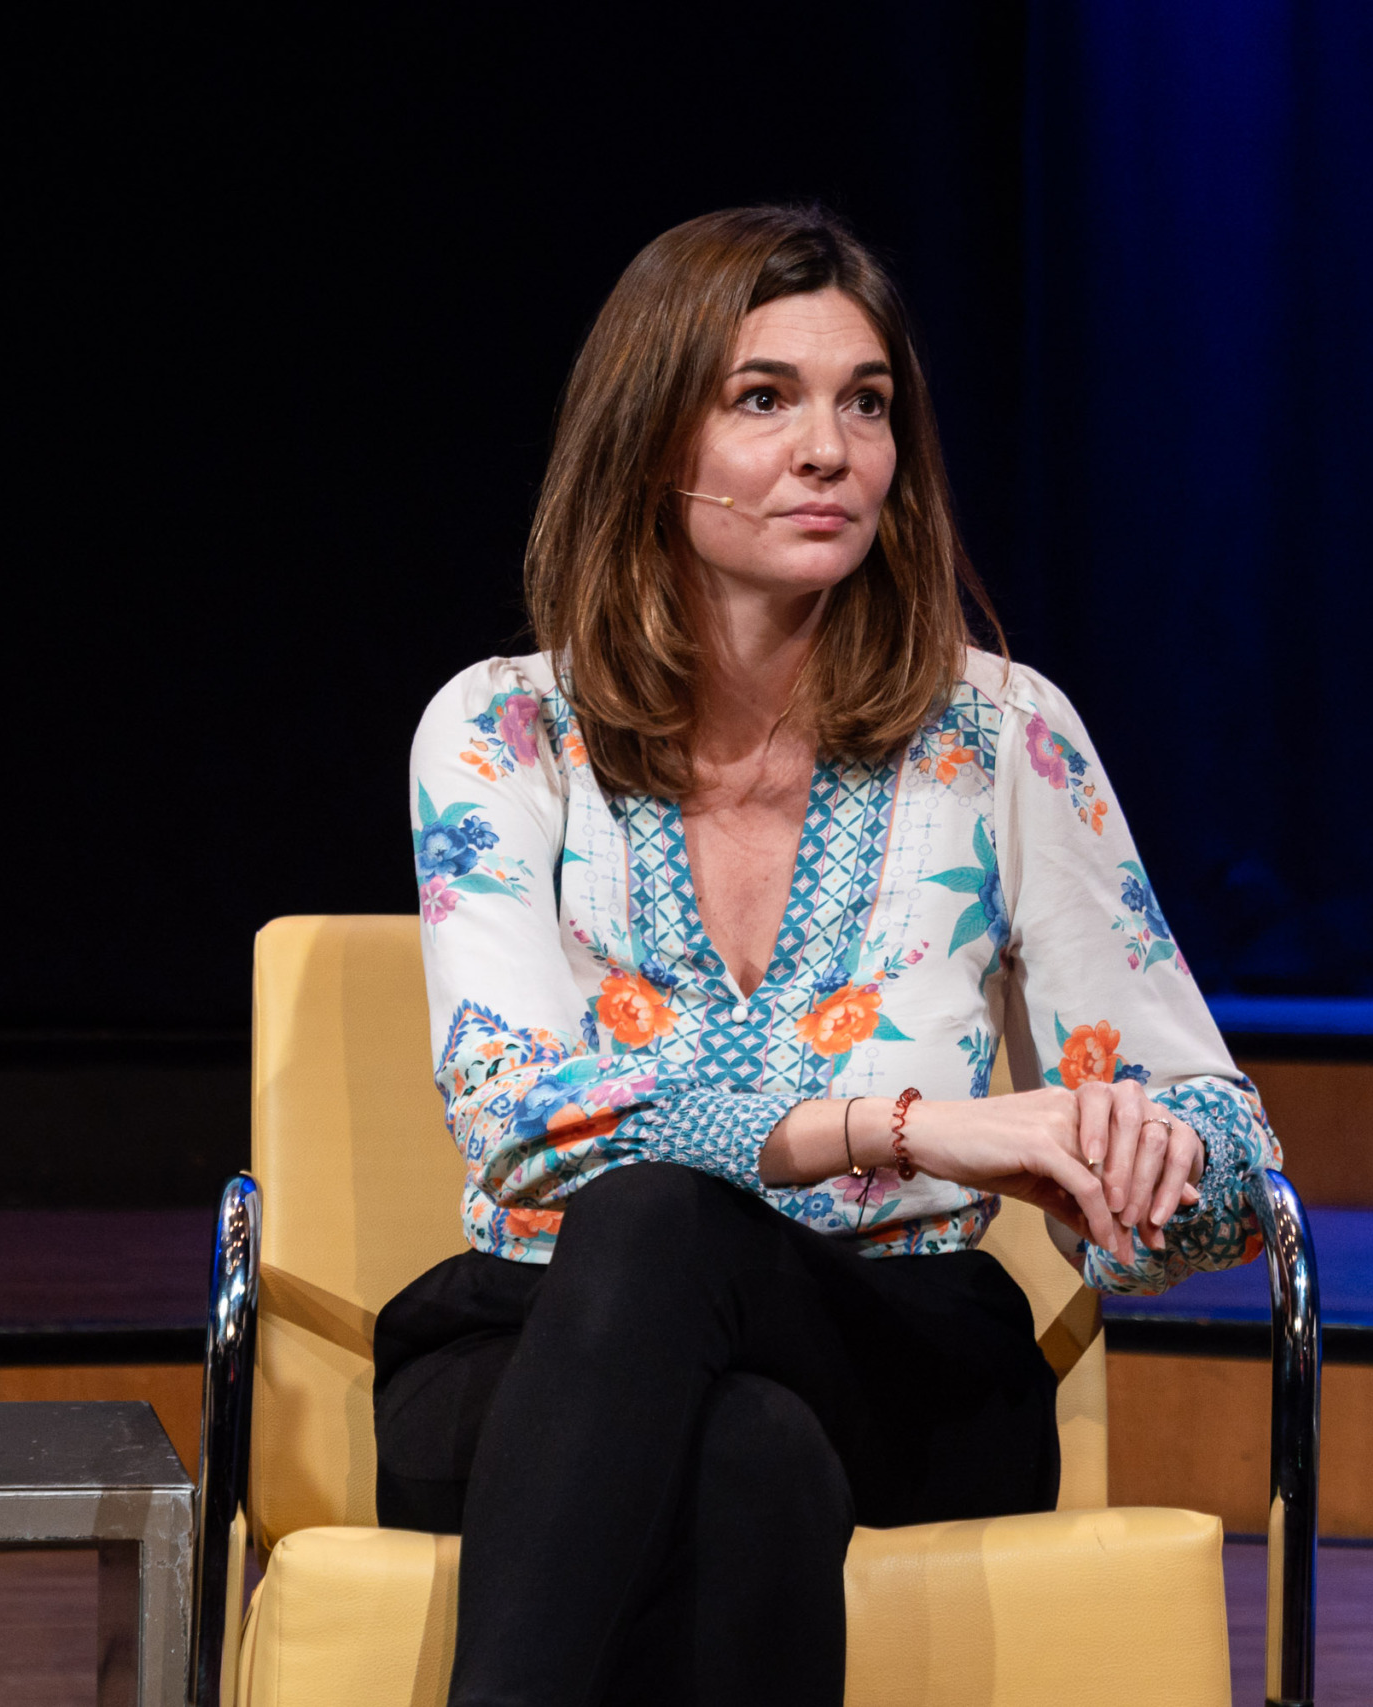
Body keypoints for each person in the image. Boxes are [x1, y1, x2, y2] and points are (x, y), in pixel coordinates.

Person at [376, 204, 1281, 1707]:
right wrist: (907, 1128)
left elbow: (1232, 1162)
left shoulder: (1002, 736)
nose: (830, 449)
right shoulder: (503, 730)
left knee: (671, 1243)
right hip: (540, 1342)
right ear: (646, 443)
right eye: (763, 399)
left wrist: (1147, 1160)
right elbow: (518, 1116)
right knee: (746, 1445)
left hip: (898, 1354)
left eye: (866, 403)